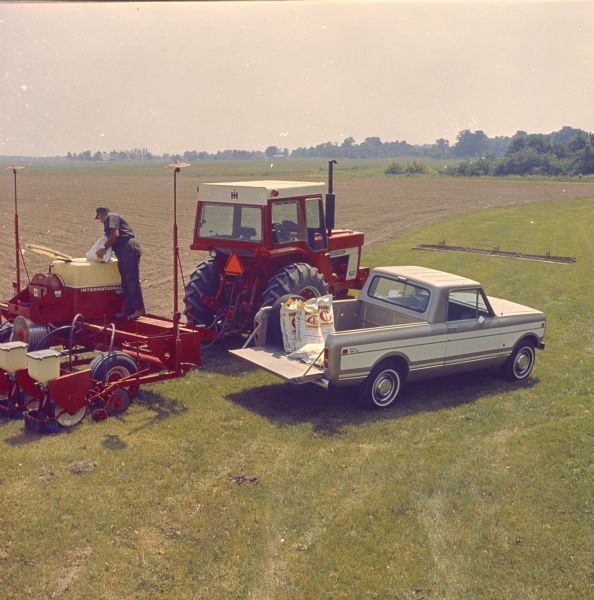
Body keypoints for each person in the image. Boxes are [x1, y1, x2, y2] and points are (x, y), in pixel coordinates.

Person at [95, 207, 146, 319]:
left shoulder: (111, 216)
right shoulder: (109, 220)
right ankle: (129, 310)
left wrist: (104, 249)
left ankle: (139, 309)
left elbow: (115, 234)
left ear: (101, 213)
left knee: (131, 280)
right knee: (125, 281)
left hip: (128, 248)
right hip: (123, 251)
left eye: (99, 218)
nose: (100, 221)